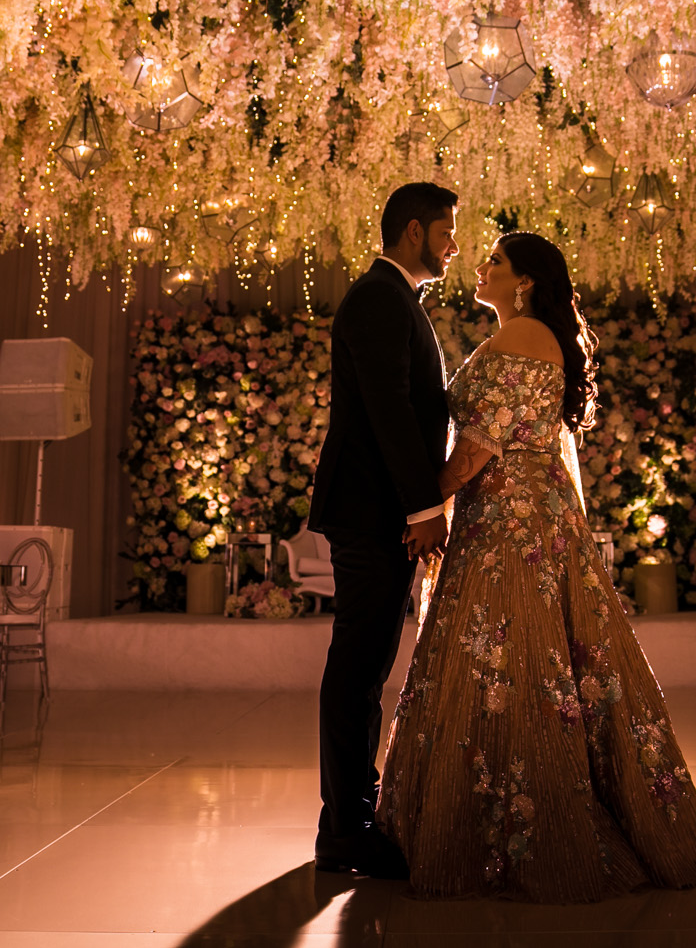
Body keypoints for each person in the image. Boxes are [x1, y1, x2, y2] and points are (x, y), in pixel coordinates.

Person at [376, 231, 696, 902]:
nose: (481, 267)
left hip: (515, 526)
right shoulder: (522, 336)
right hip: (509, 517)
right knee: (503, 661)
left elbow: (480, 444)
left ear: (528, 281)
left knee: (516, 657)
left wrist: (423, 501)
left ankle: (522, 828)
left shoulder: (525, 338)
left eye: (496, 261)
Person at [307, 181, 461, 879]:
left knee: (365, 664)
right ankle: (347, 828)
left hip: (378, 510)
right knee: (359, 665)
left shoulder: (397, 298)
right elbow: (388, 410)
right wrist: (424, 508)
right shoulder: (377, 297)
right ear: (412, 231)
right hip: (373, 511)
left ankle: (345, 809)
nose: (454, 244)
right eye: (445, 231)